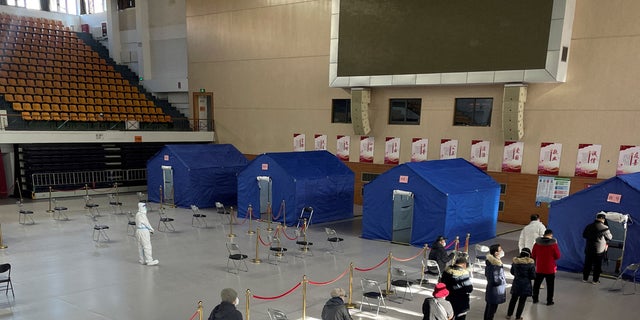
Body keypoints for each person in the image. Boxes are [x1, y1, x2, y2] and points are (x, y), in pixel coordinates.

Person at [531, 229, 561, 305]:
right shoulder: (553, 244)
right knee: (550, 286)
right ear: (551, 235)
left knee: (537, 284)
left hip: (539, 268)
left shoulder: (537, 244)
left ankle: (535, 299)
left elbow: (533, 255)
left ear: (544, 234)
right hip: (550, 268)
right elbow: (558, 256)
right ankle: (549, 301)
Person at [582, 213, 613, 284]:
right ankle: (595, 280)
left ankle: (585, 278)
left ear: (596, 218)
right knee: (597, 266)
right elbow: (610, 237)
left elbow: (584, 235)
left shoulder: (589, 226)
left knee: (587, 264)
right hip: (599, 251)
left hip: (589, 249)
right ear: (603, 219)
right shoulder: (605, 228)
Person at [506, 248, 536, 320]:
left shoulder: (515, 262)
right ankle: (518, 317)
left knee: (513, 299)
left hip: (516, 283)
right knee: (522, 301)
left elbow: (512, 272)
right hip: (526, 285)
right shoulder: (530, 264)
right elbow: (533, 276)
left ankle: (509, 315)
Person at [483, 244, 506, 320]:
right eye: (500, 250)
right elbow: (496, 280)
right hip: (495, 291)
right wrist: (503, 280)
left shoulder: (492, 262)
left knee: (489, 308)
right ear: (496, 253)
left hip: (492, 290)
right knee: (491, 311)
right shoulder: (495, 266)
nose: (502, 251)